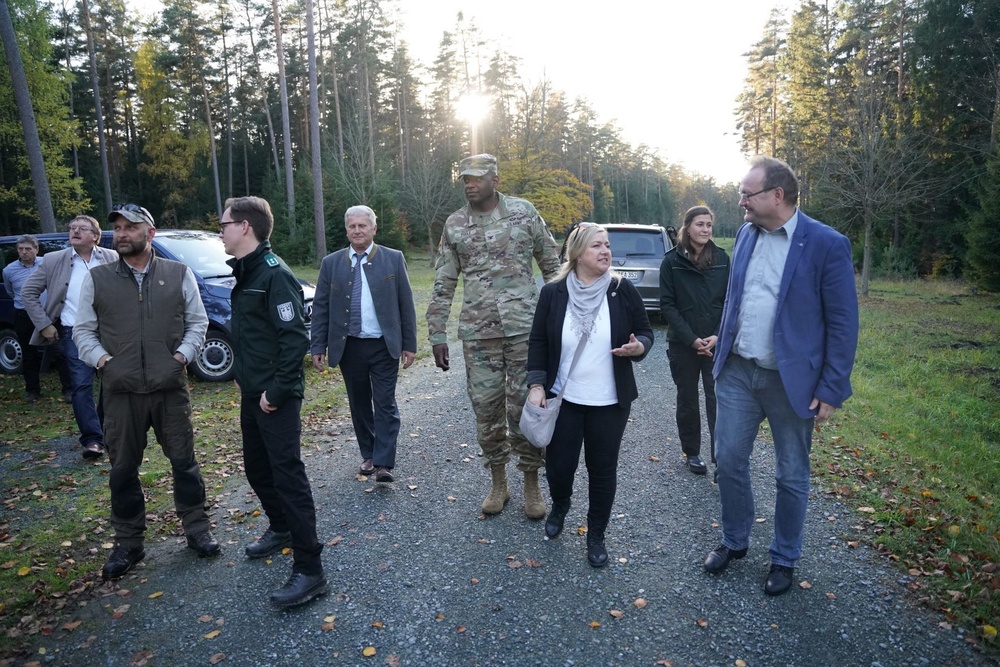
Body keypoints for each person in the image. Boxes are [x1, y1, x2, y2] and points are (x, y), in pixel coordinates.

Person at [704, 156, 859, 596]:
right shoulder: (746, 235)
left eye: (746, 193)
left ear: (777, 195)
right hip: (737, 370)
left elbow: (843, 323)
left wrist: (831, 386)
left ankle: (784, 557)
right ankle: (735, 541)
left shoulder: (827, 244)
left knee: (791, 473)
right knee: (729, 460)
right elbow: (740, 297)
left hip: (791, 382)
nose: (740, 202)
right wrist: (723, 337)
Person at [73, 203, 220, 580]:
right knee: (122, 470)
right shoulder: (99, 278)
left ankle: (196, 529)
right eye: (117, 228)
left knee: (184, 463)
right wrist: (104, 361)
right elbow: (82, 330)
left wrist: (182, 356)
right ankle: (129, 543)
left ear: (149, 233)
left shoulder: (178, 273)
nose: (121, 234)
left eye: (129, 227)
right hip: (120, 393)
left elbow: (197, 322)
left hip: (169, 388)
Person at [427, 153, 561, 519]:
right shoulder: (455, 224)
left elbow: (552, 266)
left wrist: (559, 323)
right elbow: (444, 280)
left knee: (527, 409)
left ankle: (532, 482)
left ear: (494, 180)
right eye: (464, 179)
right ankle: (498, 482)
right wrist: (437, 332)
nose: (469, 184)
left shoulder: (523, 212)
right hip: (478, 334)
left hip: (526, 332)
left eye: (476, 178)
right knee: (486, 411)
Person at [221, 196, 327, 608]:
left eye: (225, 223)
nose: (221, 230)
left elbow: (294, 338)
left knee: (288, 476)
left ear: (245, 227)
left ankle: (310, 570)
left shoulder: (272, 274)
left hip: (275, 397)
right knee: (256, 468)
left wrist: (277, 392)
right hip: (253, 392)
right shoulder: (245, 273)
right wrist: (246, 382)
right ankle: (280, 526)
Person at [526, 223, 653, 567]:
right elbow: (538, 342)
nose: (605, 252)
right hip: (563, 400)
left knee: (602, 471)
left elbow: (645, 331)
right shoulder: (553, 293)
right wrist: (537, 385)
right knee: (559, 467)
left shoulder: (621, 290)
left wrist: (639, 347)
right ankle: (561, 504)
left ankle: (596, 534)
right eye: (597, 246)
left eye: (607, 245)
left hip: (609, 403)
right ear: (578, 252)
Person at [310, 205, 417, 482]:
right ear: (347, 230)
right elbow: (321, 307)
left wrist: (410, 344)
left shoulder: (393, 259)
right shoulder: (331, 263)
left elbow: (406, 303)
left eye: (362, 226)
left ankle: (384, 463)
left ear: (373, 229)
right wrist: (318, 346)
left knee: (384, 402)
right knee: (359, 404)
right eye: (352, 226)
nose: (357, 230)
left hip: (383, 346)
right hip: (350, 347)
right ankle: (368, 455)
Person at [21, 216, 118, 459]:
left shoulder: (111, 257)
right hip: (73, 332)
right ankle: (92, 440)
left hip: (108, 332)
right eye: (72, 228)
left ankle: (106, 431)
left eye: (82, 229)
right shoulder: (54, 260)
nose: (75, 231)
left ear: (95, 236)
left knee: (112, 383)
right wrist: (44, 325)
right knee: (81, 385)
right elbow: (28, 292)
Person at [658, 206, 730, 476]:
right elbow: (668, 305)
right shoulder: (671, 262)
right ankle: (692, 452)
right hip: (683, 345)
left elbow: (729, 302)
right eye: (700, 224)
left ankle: (721, 456)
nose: (705, 229)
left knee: (718, 400)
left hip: (715, 344)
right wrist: (691, 339)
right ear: (687, 227)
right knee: (687, 399)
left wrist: (717, 336)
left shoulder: (722, 259)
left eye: (709, 224)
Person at [2, 234, 68, 402]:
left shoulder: (47, 264)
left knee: (60, 352)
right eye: (20, 249)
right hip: (24, 315)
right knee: (29, 355)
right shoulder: (9, 270)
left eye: (28, 249)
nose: (24, 252)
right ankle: (33, 391)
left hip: (49, 314)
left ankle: (69, 389)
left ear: (36, 249)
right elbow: (11, 292)